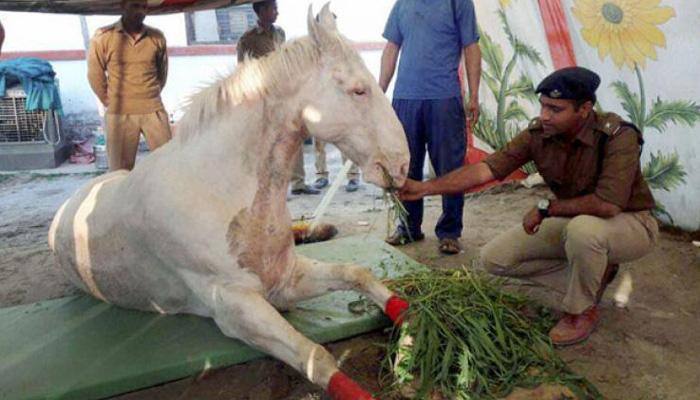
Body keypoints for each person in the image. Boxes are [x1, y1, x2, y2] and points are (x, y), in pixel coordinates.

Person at [399, 67, 659, 346]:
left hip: (631, 222)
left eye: (556, 109)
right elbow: (486, 170)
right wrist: (424, 188)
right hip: (578, 220)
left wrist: (547, 209)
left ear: (584, 109)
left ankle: (580, 311)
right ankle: (597, 273)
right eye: (543, 106)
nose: (545, 115)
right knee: (494, 258)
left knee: (585, 232)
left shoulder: (618, 135)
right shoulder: (539, 133)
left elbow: (608, 205)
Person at [379, 0, 482, 255]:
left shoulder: (458, 3)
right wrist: (379, 91)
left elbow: (471, 47)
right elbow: (392, 47)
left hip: (444, 98)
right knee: (406, 166)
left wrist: (474, 95)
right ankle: (409, 227)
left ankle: (449, 231)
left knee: (450, 167)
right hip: (404, 98)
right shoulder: (402, 4)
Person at [238, 0, 319, 195]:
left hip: (284, 94)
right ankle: (265, 186)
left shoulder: (279, 33)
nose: (277, 13)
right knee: (265, 141)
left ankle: (298, 183)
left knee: (293, 134)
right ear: (261, 11)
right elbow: (242, 70)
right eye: (273, 9)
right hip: (262, 97)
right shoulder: (248, 39)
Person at [87, 0, 171, 172]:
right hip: (120, 113)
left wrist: (150, 94)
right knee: (120, 172)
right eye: (135, 5)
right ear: (123, 6)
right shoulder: (104, 37)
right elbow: (95, 75)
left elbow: (162, 73)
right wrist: (109, 101)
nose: (140, 11)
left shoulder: (157, 37)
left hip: (153, 109)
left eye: (144, 7)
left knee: (168, 165)